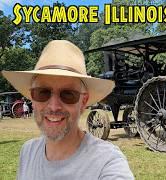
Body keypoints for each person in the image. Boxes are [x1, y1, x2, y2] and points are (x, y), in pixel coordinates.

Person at [2, 40, 134, 179]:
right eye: (43, 92)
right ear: (32, 99)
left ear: (83, 102)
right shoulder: (28, 152)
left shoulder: (107, 162)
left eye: (68, 94)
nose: (53, 106)